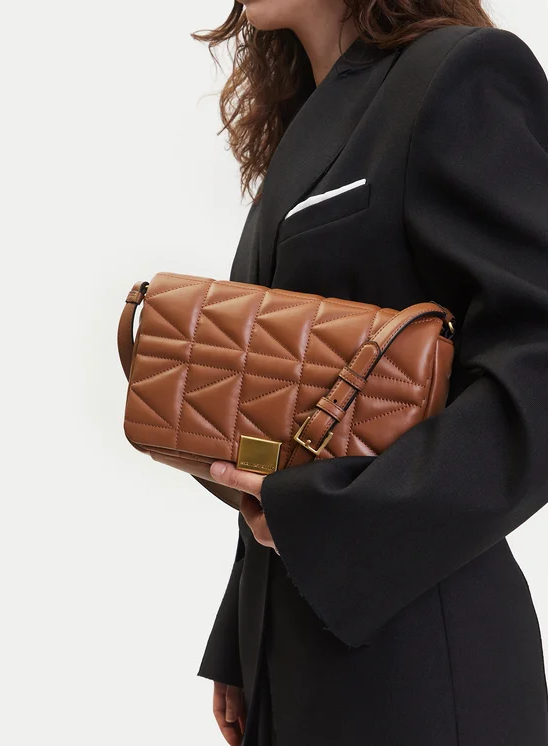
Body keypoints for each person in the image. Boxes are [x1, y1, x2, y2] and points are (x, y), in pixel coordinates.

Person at [192, 1, 548, 744]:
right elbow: (295, 422)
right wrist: (242, 633)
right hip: (293, 652)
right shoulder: (309, 119)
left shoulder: (458, 73)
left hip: (419, 661)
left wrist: (321, 523)